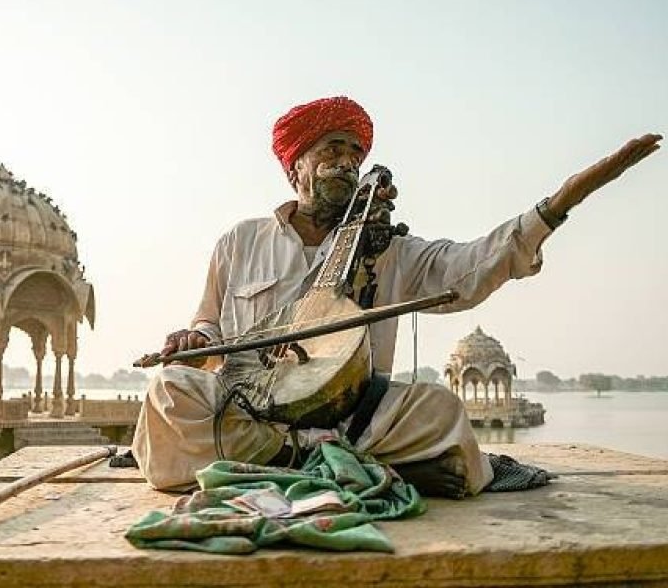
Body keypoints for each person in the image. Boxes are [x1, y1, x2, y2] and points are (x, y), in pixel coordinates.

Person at [132, 96, 661, 498]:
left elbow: (470, 266)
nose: (346, 161)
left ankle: (293, 461)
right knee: (168, 394)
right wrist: (194, 340)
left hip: (350, 418)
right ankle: (325, 462)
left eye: (355, 152)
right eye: (331, 149)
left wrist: (560, 203)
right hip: (249, 408)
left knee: (444, 413)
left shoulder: (387, 248)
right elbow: (209, 328)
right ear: (295, 166)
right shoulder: (239, 242)